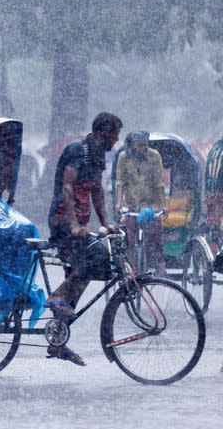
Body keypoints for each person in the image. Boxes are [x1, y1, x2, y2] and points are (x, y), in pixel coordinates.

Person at [46, 112, 123, 366]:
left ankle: (57, 341)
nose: (116, 140)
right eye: (115, 134)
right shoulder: (77, 150)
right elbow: (68, 187)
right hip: (62, 221)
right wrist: (72, 224)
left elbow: (97, 190)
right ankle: (56, 296)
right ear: (103, 134)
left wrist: (105, 223)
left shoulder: (98, 154)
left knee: (83, 275)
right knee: (98, 255)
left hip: (79, 224)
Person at [114, 131, 167, 275]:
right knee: (129, 240)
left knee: (155, 238)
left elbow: (159, 183)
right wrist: (119, 202)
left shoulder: (154, 156)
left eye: (145, 145)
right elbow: (120, 182)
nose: (142, 148)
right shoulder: (123, 157)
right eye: (139, 146)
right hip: (132, 205)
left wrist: (163, 205)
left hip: (151, 205)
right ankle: (132, 270)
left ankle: (159, 264)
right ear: (132, 146)